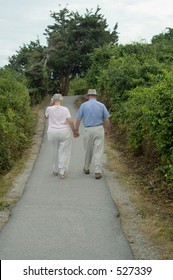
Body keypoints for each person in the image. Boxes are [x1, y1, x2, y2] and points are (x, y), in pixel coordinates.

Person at [75, 89, 110, 179]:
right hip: (99, 128)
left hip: (88, 129)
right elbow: (107, 120)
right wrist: (106, 129)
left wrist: (76, 130)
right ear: (95, 96)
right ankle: (98, 171)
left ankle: (86, 167)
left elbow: (78, 119)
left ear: (88, 96)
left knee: (88, 150)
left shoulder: (83, 105)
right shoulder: (101, 105)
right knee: (98, 150)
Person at [45, 93, 78, 179]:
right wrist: (74, 131)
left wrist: (50, 104)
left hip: (52, 132)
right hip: (64, 132)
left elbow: (46, 117)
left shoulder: (49, 109)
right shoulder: (65, 109)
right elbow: (70, 121)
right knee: (63, 151)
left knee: (54, 150)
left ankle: (55, 169)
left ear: (53, 100)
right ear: (61, 100)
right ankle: (62, 171)